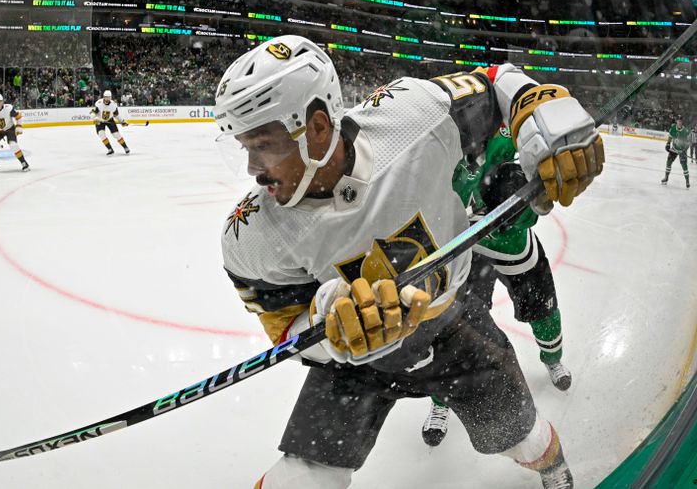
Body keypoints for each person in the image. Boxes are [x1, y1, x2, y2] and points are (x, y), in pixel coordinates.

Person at [213, 35, 603, 489]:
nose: (252, 169)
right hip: (356, 364)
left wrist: (543, 110)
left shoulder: (413, 115)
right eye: (245, 147)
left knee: (523, 437)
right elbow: (285, 329)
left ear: (317, 128)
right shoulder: (250, 235)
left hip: (452, 325)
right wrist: (329, 329)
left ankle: (553, 470)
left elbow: (497, 81)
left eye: (263, 146)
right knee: (302, 479)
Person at [423, 138, 572, 448]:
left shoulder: (500, 135)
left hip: (513, 246)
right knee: (452, 329)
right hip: (464, 248)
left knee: (543, 309)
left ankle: (552, 357)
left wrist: (526, 201)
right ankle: (441, 401)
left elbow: (530, 203)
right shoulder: (438, 145)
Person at [0, 94, 29, 173]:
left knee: (13, 145)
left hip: (9, 129)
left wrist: (19, 126)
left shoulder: (8, 108)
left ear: (3, 102)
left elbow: (18, 117)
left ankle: (23, 162)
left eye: (0, 101)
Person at [91, 90, 130, 155]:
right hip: (100, 121)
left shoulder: (113, 105)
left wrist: (122, 121)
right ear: (104, 97)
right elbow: (92, 112)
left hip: (110, 120)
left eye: (108, 97)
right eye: (106, 97)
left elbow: (116, 115)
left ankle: (125, 147)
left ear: (110, 97)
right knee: (101, 134)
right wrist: (95, 118)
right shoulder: (99, 103)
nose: (107, 99)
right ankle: (110, 149)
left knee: (116, 134)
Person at [661, 118, 690, 189]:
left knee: (684, 165)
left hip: (682, 150)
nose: (679, 122)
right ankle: (666, 177)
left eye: (680, 121)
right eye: (678, 121)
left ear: (682, 122)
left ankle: (687, 181)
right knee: (668, 162)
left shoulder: (685, 131)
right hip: (674, 149)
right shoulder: (673, 128)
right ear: (676, 121)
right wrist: (668, 144)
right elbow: (670, 136)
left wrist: (684, 150)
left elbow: (688, 143)